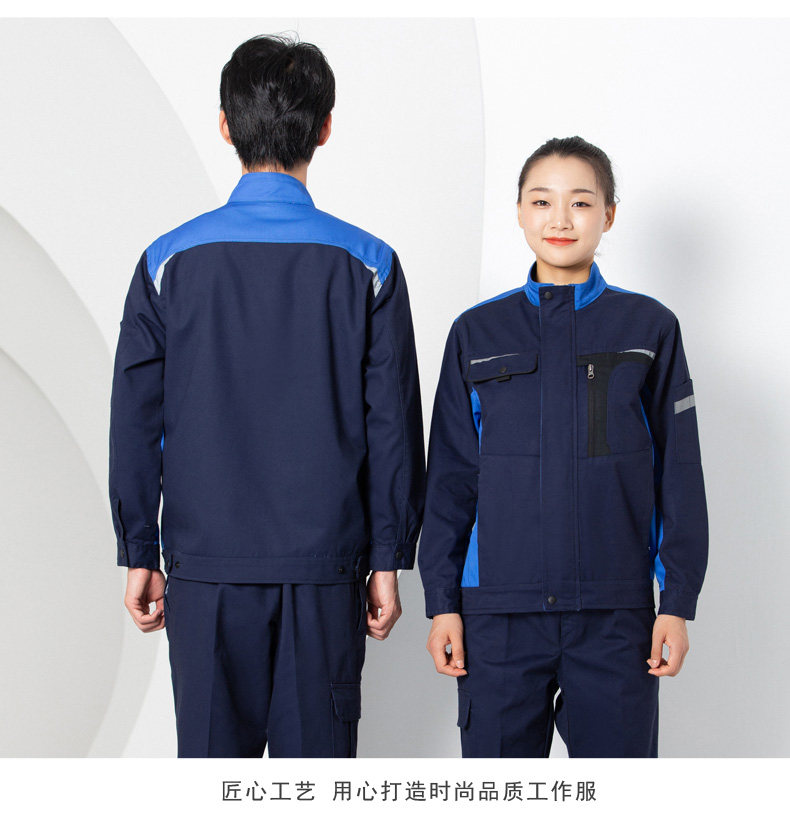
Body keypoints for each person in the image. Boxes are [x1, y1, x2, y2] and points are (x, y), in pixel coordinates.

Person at [108, 34, 425, 758]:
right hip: (325, 571)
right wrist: (386, 557)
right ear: (326, 127)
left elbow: (135, 419)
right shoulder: (370, 264)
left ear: (225, 126)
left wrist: (139, 548)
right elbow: (392, 425)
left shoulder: (166, 262)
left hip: (205, 570)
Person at [418, 136, 708, 757]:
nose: (560, 219)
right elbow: (450, 481)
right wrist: (442, 604)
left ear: (608, 214)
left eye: (580, 202)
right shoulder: (476, 332)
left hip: (615, 617)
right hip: (497, 618)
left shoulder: (649, 328)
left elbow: (678, 475)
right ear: (520, 212)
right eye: (541, 201)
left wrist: (676, 602)